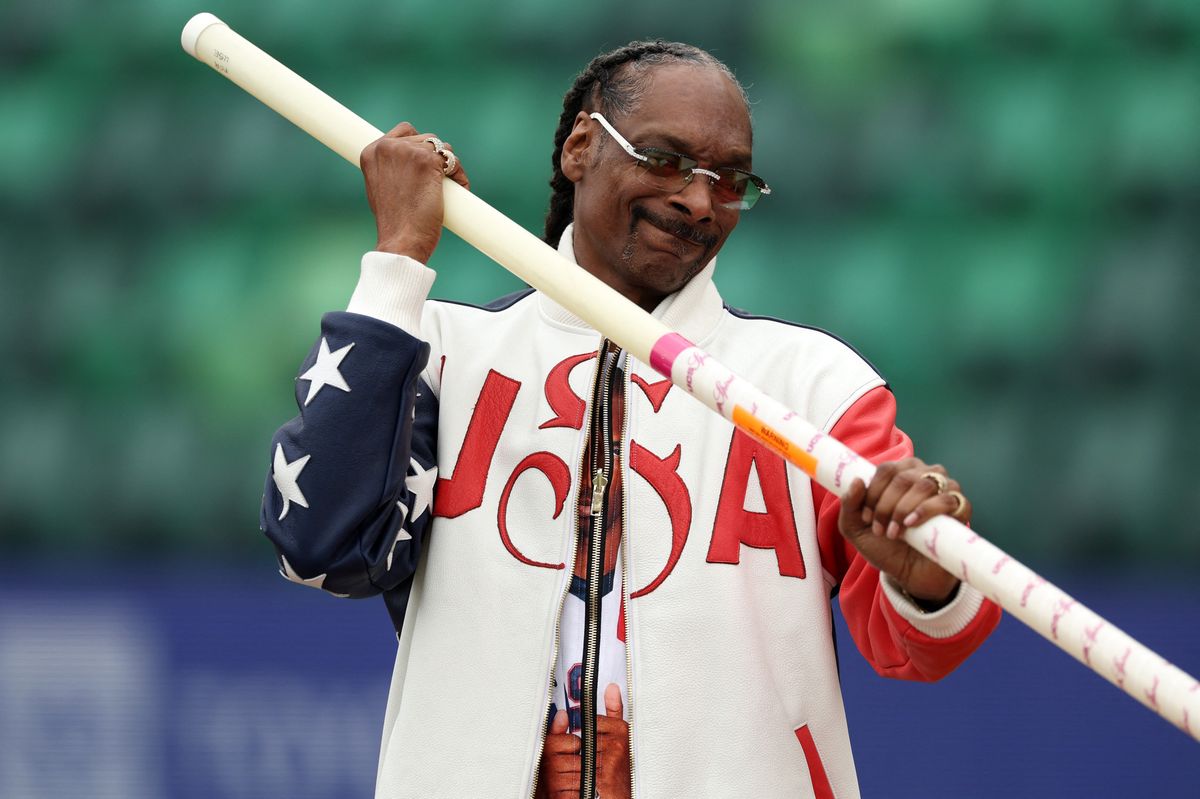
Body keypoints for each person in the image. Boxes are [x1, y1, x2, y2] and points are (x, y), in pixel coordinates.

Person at [262, 40, 1001, 799]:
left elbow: (919, 645)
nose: (697, 200)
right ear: (581, 146)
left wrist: (928, 578)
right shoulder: (443, 355)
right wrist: (398, 263)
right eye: (666, 160)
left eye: (730, 180)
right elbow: (321, 543)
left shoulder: (811, 384)